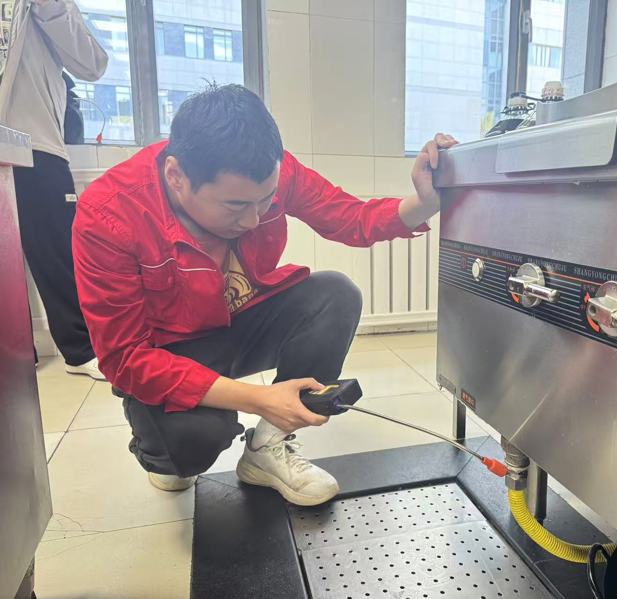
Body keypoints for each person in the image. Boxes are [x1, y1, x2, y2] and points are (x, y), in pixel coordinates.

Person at [72, 84, 457, 505]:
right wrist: (260, 400)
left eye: (266, 201)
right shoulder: (109, 214)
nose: (254, 220)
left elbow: (350, 218)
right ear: (176, 176)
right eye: (235, 206)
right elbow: (124, 357)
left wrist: (426, 202)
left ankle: (267, 447)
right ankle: (162, 452)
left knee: (335, 294)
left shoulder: (273, 170)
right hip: (171, 351)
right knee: (192, 446)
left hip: (238, 321)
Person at [0, 0, 108, 379]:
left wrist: (49, 7)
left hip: (35, 140)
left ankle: (80, 349)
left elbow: (93, 64)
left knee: (58, 250)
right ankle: (12, 354)